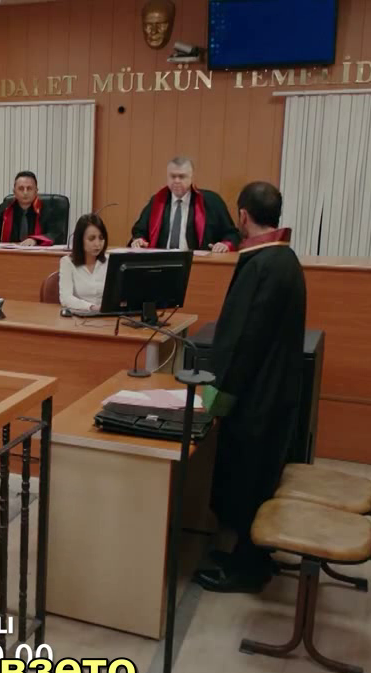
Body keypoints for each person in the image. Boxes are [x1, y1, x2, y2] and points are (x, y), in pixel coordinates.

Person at [194, 181, 307, 594]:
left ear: (242, 216)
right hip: (276, 389)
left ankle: (248, 568)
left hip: (256, 397)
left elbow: (239, 339)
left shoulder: (259, 264)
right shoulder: (285, 258)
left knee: (246, 480)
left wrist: (215, 398)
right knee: (258, 478)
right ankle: (250, 553)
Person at [129, 157, 240, 252]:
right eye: (173, 176)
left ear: (191, 178)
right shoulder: (157, 201)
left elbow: (232, 234)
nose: (176, 181)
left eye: (182, 177)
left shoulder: (211, 201)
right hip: (162, 262)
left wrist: (225, 244)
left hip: (198, 262)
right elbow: (139, 230)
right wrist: (139, 240)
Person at [0, 170, 68, 246]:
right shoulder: (4, 210)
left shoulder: (49, 211)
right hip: (9, 258)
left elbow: (57, 234)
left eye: (29, 188)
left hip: (39, 259)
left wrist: (35, 240)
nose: (25, 192)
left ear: (36, 191)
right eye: (21, 188)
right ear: (14, 192)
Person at [59, 213, 109, 312]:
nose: (97, 244)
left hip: (108, 316)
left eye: (101, 238)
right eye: (91, 239)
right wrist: (91, 307)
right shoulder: (67, 263)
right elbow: (66, 298)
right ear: (80, 240)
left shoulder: (109, 261)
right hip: (80, 316)